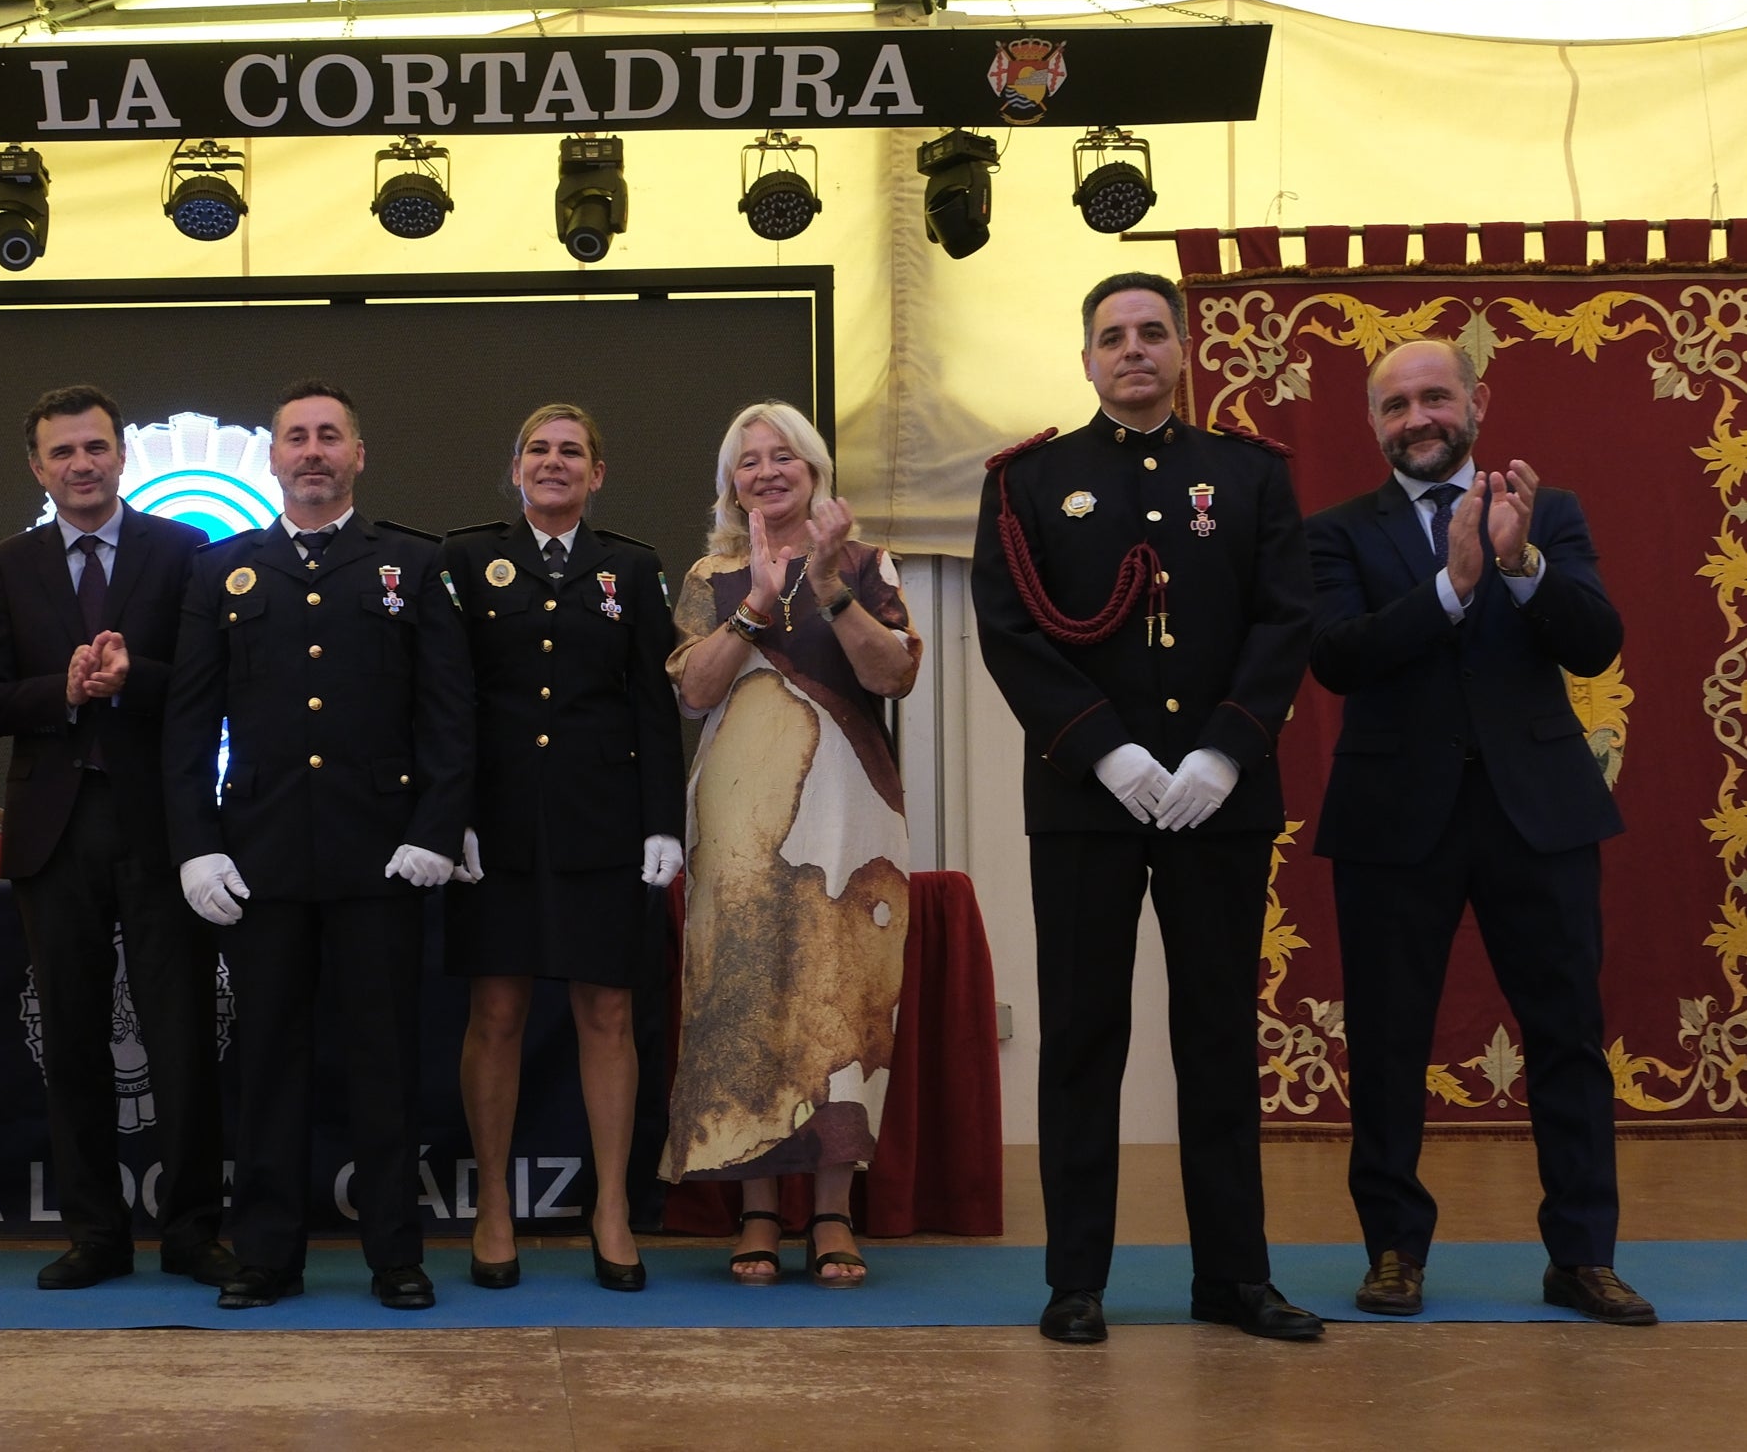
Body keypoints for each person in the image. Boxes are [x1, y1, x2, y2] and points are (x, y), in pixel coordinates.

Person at [971, 271, 1319, 1345]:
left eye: (1152, 332)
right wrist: (1105, 750)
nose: (1133, 349)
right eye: (1113, 335)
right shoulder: (1031, 481)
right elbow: (1007, 629)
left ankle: (1235, 1276)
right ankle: (1076, 1278)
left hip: (1220, 799)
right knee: (1082, 1035)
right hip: (1088, 799)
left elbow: (1285, 617)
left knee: (1217, 1032)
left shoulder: (1249, 474)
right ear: (1085, 358)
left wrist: (1225, 748)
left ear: (1182, 349)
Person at [1306, 337, 1652, 1325]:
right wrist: (1452, 589)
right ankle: (1393, 1250)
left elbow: (1595, 641)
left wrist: (1517, 562)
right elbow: (1337, 656)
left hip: (1536, 812)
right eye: (1395, 405)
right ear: (1372, 423)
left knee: (1567, 1038)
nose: (1417, 417)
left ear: (1477, 402)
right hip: (1391, 818)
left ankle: (1582, 1256)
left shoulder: (1548, 512)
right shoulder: (1335, 532)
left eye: (1435, 397)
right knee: (1386, 1042)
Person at [163, 380, 474, 1311]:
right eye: (295, 437)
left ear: (357, 455)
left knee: (384, 1061)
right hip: (259, 859)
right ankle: (265, 1254)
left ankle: (395, 1253)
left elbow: (448, 714)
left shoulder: (413, 564)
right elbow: (188, 725)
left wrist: (434, 829)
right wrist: (196, 844)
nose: (311, 451)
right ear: (271, 458)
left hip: (380, 857)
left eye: (328, 435)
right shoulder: (222, 571)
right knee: (266, 1064)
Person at [0, 384, 231, 1292]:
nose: (81, 464)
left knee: (182, 1035)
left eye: (94, 447)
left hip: (162, 823)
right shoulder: (11, 563)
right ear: (37, 468)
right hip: (53, 830)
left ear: (121, 455)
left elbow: (209, 681)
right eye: (62, 452)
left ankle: (191, 1232)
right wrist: (65, 691)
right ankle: (95, 1234)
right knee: (71, 1039)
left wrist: (131, 677)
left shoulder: (183, 549)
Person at [660, 401, 920, 1289]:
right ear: (730, 482)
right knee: (742, 995)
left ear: (813, 472)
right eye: (749, 460)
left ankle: (834, 1209)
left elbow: (893, 674)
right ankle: (759, 1208)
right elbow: (692, 693)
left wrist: (827, 583)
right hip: (738, 818)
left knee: (841, 993)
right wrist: (757, 605)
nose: (766, 472)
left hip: (850, 811)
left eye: (783, 457)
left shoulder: (865, 563)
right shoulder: (710, 575)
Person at [439, 403, 685, 1292]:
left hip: (600, 820)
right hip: (495, 822)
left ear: (597, 473)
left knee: (607, 1014)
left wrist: (662, 821)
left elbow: (652, 703)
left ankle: (611, 1206)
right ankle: (492, 1207)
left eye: (571, 451)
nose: (553, 462)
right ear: (514, 468)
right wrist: (450, 813)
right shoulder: (465, 559)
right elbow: (449, 696)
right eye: (538, 449)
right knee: (496, 1012)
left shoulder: (632, 568)